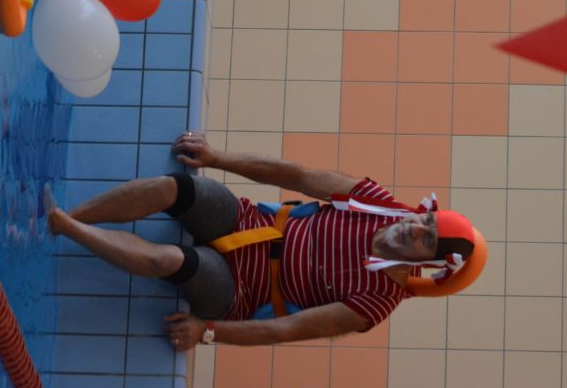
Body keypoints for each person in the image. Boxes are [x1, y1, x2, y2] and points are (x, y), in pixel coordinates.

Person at [45, 131, 476, 351]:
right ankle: (73, 214)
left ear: (428, 262)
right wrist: (216, 157)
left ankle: (65, 226)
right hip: (246, 220)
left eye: (426, 239)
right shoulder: (376, 203)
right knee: (174, 188)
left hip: (239, 290)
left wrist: (206, 332)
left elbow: (284, 329)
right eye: (426, 221)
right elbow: (296, 175)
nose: (414, 228)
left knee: (173, 260)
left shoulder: (377, 301)